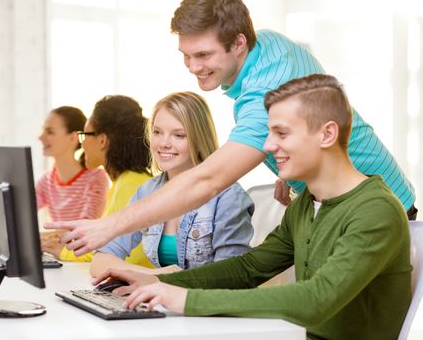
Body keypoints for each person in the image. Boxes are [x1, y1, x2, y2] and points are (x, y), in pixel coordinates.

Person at [45, 0, 416, 256]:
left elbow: (209, 179)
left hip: (380, 207)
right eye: (186, 56)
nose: (193, 68)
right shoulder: (267, 43)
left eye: (203, 55)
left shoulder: (263, 93)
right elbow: (311, 113)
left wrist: (111, 225)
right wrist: (289, 171)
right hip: (336, 202)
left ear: (239, 43)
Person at [95, 74, 412, 340]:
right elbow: (248, 268)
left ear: (327, 134)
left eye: (281, 133)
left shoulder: (376, 210)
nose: (268, 146)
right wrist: (160, 283)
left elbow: (316, 299)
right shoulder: (305, 206)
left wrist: (186, 298)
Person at [90, 91, 254, 277]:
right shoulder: (147, 190)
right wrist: (156, 277)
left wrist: (168, 282)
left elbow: (230, 277)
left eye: (179, 135)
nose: (163, 143)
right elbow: (100, 261)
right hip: (163, 300)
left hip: (208, 303)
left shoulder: (228, 195)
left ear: (199, 139)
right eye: (157, 132)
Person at [42, 95, 154, 267]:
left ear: (102, 140)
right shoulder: (124, 182)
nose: (83, 144)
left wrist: (64, 252)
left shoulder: (131, 185)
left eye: (84, 135)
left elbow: (114, 254)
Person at [0, 106, 109, 249]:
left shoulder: (96, 179)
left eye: (50, 132)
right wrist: (1, 230)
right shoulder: (47, 181)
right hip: (60, 256)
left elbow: (82, 231)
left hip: (83, 259)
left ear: (73, 137)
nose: (41, 137)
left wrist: (16, 235)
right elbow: (22, 214)